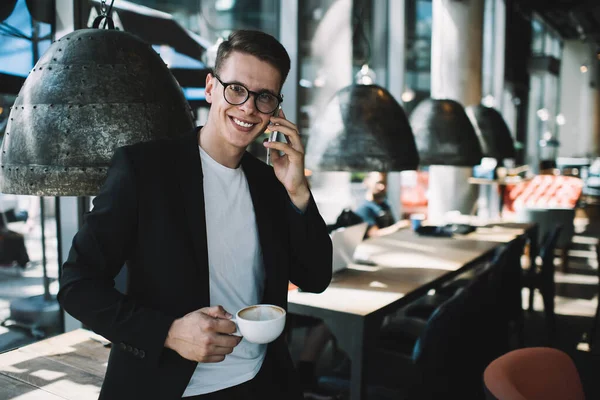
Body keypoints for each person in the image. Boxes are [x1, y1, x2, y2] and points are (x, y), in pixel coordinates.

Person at [58, 30, 333, 400]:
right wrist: (169, 332)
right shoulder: (144, 170)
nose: (249, 107)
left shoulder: (271, 184)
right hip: (165, 387)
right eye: (236, 88)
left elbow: (315, 277)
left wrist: (298, 190)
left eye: (264, 97)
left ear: (275, 109)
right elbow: (77, 285)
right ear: (210, 87)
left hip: (261, 383)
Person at [354, 171, 408, 238]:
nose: (382, 187)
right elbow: (373, 234)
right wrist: (398, 226)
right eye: (378, 183)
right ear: (367, 182)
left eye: (385, 183)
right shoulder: (364, 208)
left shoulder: (385, 205)